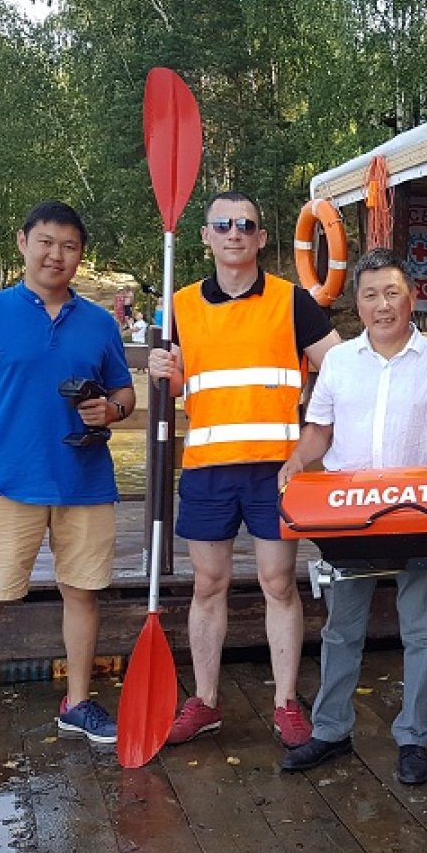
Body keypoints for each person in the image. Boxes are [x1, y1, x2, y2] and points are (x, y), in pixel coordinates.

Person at [0, 200, 136, 779]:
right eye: (46, 242)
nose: (55, 255)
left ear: (80, 255)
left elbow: (124, 394)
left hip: (85, 482)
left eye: (69, 246)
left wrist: (110, 410)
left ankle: (78, 702)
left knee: (83, 593)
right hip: (6, 484)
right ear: (23, 243)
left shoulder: (99, 323)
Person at [147, 190, 341, 748]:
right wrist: (162, 369)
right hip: (208, 469)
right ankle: (206, 701)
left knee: (278, 583)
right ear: (205, 236)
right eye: (223, 224)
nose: (235, 233)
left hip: (274, 471)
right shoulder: (179, 304)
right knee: (208, 584)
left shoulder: (292, 300)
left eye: (246, 225)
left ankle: (285, 702)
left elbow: (341, 371)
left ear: (261, 237)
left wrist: (312, 441)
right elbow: (176, 386)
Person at [276, 248, 427, 783]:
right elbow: (320, 429)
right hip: (350, 515)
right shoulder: (338, 362)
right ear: (357, 305)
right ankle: (331, 730)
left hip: (422, 515)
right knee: (341, 629)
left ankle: (414, 738)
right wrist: (296, 460)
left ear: (413, 297)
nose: (382, 305)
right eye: (370, 295)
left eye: (392, 293)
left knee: (423, 633)